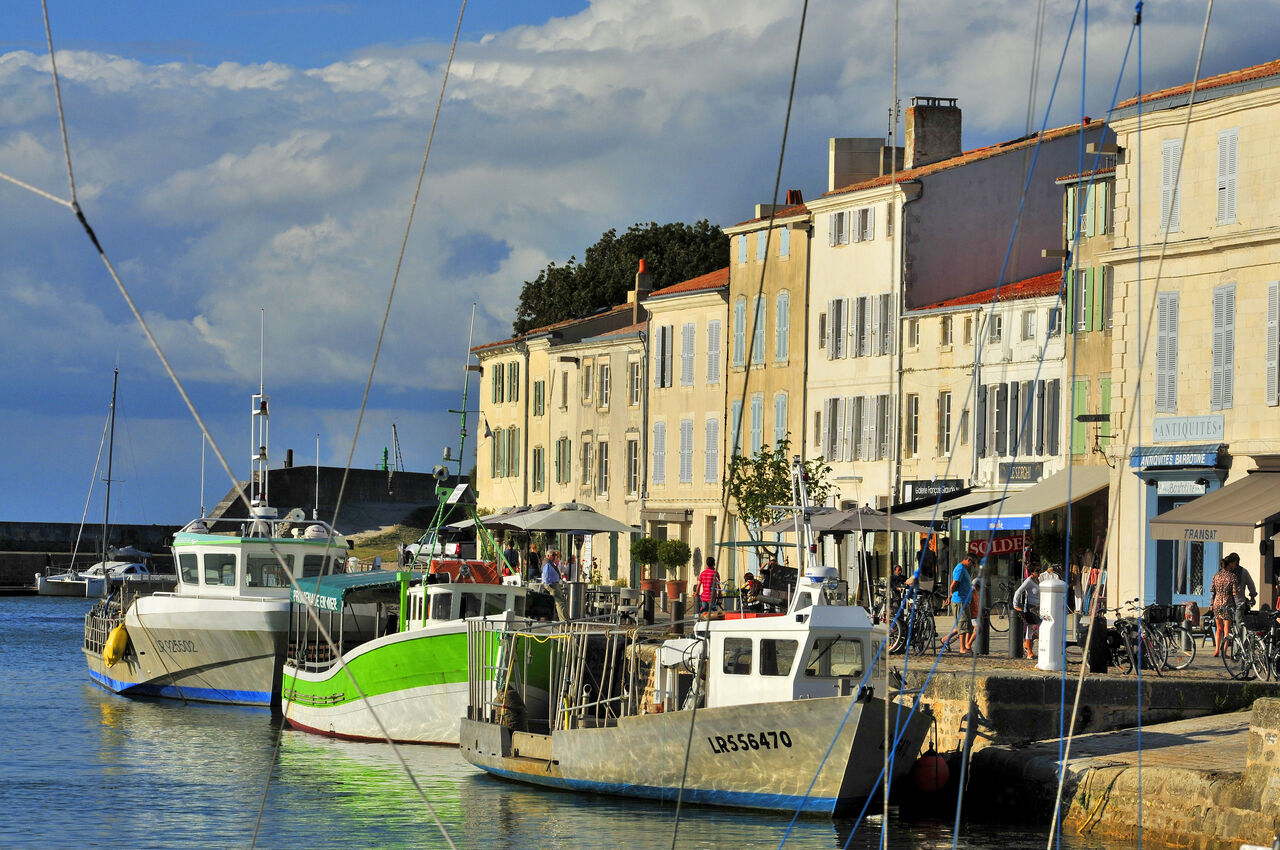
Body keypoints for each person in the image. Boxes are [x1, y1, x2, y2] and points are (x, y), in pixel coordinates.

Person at [1209, 555, 1243, 657]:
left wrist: (1211, 603)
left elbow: (1212, 591)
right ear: (1229, 565)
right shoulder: (1232, 576)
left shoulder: (1216, 575)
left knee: (1219, 628)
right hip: (1227, 604)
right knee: (1226, 629)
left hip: (1217, 604)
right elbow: (1235, 593)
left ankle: (1216, 650)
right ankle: (1224, 652)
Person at [946, 553, 977, 653]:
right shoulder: (960, 569)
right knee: (962, 624)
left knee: (967, 625)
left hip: (964, 600)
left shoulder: (964, 569)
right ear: (968, 560)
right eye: (973, 563)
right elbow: (954, 584)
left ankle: (948, 641)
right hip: (960, 601)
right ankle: (962, 648)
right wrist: (951, 594)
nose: (973, 566)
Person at [1013, 563, 1043, 659]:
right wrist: (1015, 605)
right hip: (1030, 607)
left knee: (1040, 628)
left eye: (1039, 570)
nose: (1039, 572)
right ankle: (1029, 652)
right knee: (1030, 629)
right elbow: (1018, 591)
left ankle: (1027, 645)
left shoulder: (1038, 580)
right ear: (1031, 572)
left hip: (1038, 607)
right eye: (1037, 571)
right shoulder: (1029, 581)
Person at [542, 550, 569, 619]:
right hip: (552, 584)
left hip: (554, 583)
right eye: (553, 555)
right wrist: (549, 584)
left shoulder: (551, 563)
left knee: (562, 600)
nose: (555, 556)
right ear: (548, 556)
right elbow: (546, 575)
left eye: (555, 555)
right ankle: (564, 620)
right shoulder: (547, 563)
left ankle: (566, 618)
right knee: (560, 602)